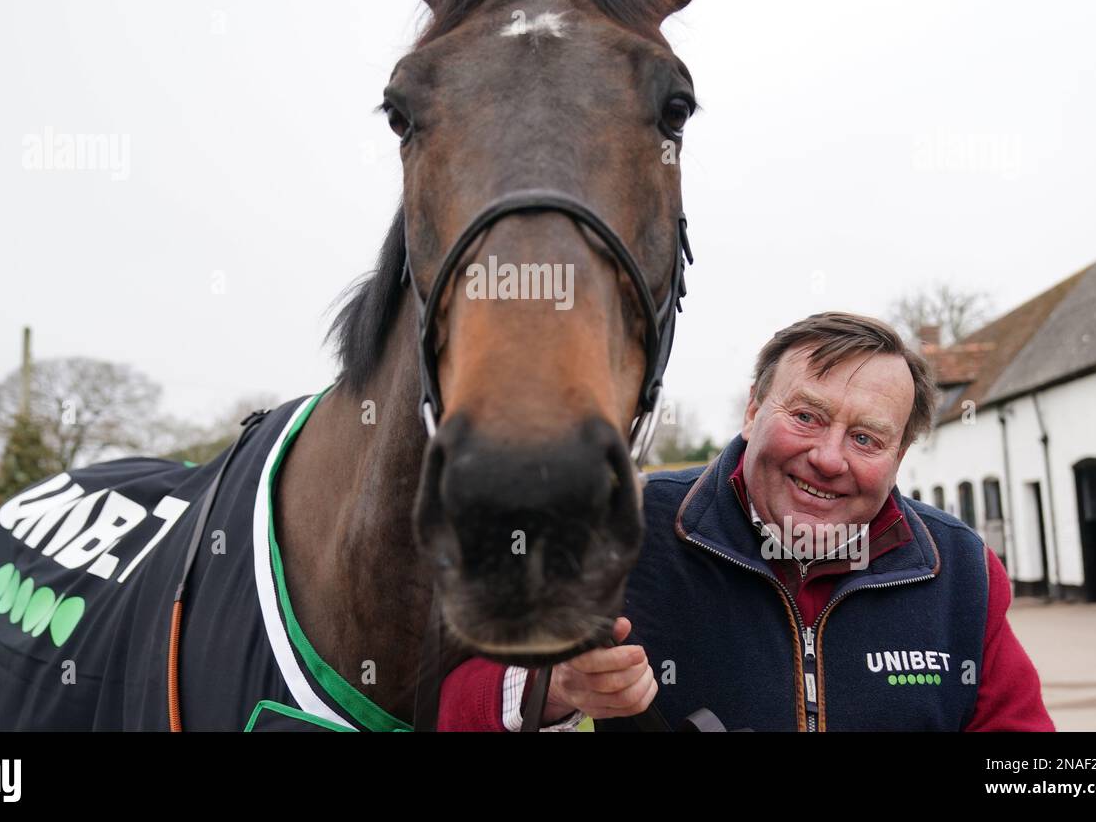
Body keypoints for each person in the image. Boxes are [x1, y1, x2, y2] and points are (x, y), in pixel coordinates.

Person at [436, 312, 1055, 731]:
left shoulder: (962, 570)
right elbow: (448, 703)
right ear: (753, 410)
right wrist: (558, 686)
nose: (829, 458)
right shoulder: (621, 530)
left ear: (898, 456)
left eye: (866, 439)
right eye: (807, 417)